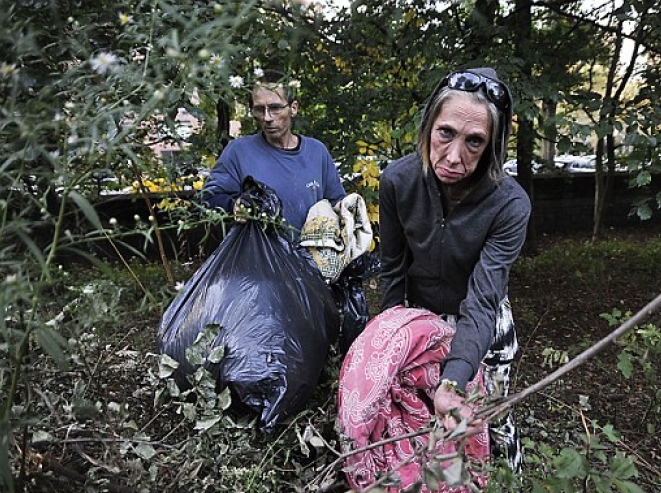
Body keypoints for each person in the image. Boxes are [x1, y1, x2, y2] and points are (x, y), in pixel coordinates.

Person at [378, 67, 531, 471]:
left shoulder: (509, 205)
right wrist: (387, 340)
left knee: (491, 418)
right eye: (445, 132)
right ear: (429, 124)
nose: (453, 156)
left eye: (474, 142)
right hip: (421, 318)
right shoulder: (398, 181)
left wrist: (454, 378)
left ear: (492, 146)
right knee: (427, 422)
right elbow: (392, 268)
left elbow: (483, 296)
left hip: (485, 322)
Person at [200, 69, 346, 242]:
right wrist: (234, 206)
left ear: (293, 108)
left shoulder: (316, 152)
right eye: (260, 110)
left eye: (275, 108)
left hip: (312, 263)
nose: (267, 117)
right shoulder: (238, 152)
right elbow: (208, 199)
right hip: (260, 263)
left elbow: (337, 203)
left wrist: (349, 212)